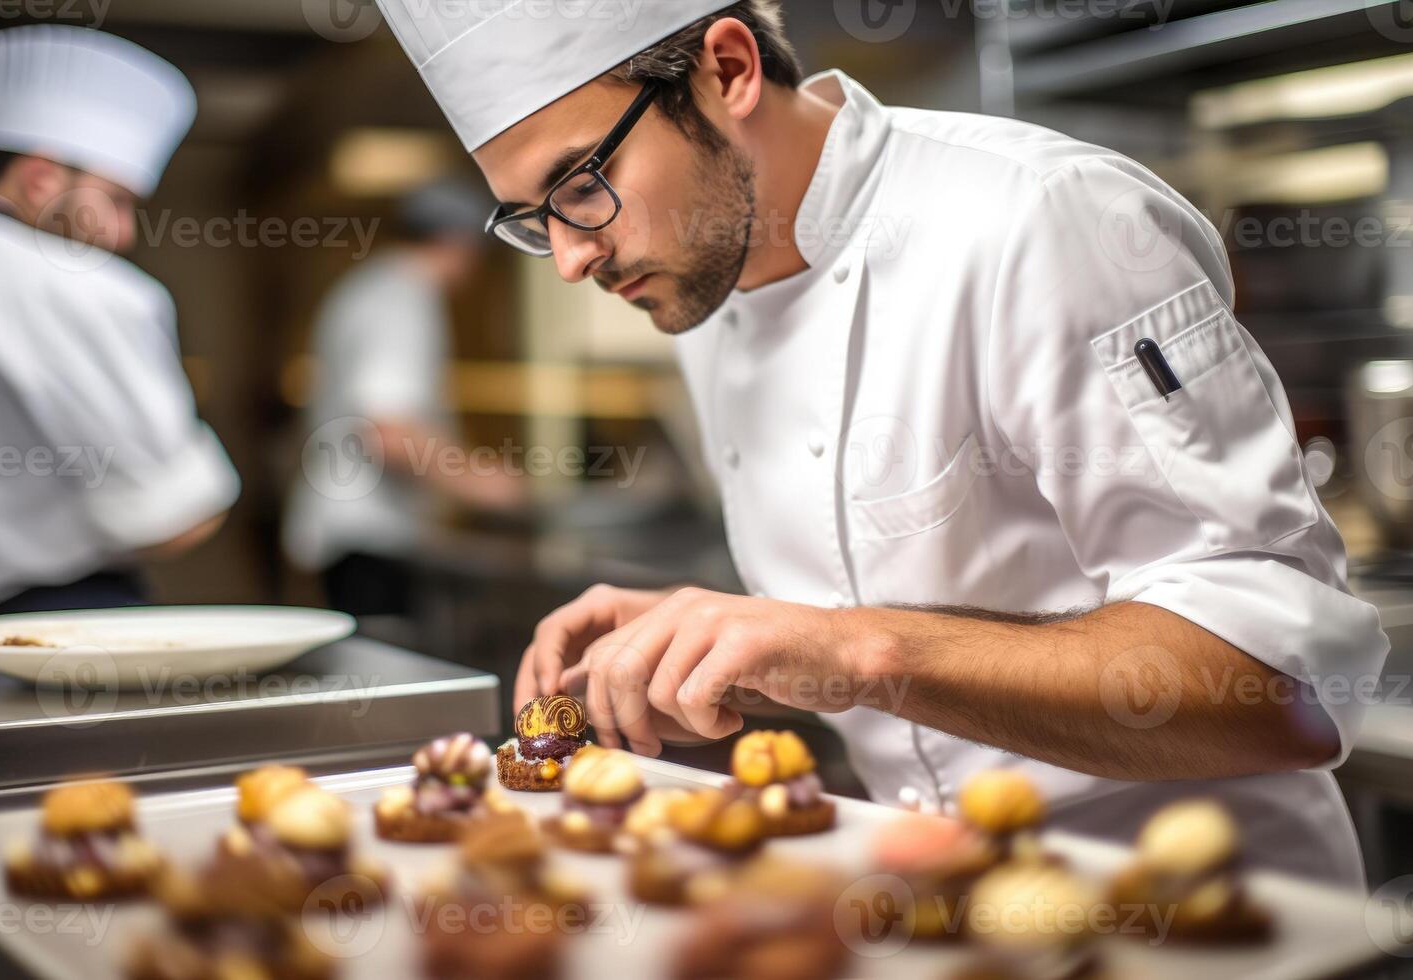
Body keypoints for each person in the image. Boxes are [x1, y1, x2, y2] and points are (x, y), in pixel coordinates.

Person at [374, 0, 1389, 883]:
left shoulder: (1040, 219)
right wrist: (749, 649)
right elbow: (884, 646)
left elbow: (1283, 681)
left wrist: (853, 646)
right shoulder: (701, 289)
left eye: (581, 183)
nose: (568, 255)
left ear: (726, 70)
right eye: (529, 220)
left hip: (1210, 916)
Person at [0, 26, 239, 620]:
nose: (124, 234)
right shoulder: (78, 286)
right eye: (118, 200)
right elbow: (176, 519)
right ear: (41, 179)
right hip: (44, 632)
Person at [284, 180, 521, 618]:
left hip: (356, 534)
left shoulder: (371, 288)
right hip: (371, 537)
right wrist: (485, 484)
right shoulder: (403, 300)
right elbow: (389, 433)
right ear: (457, 242)